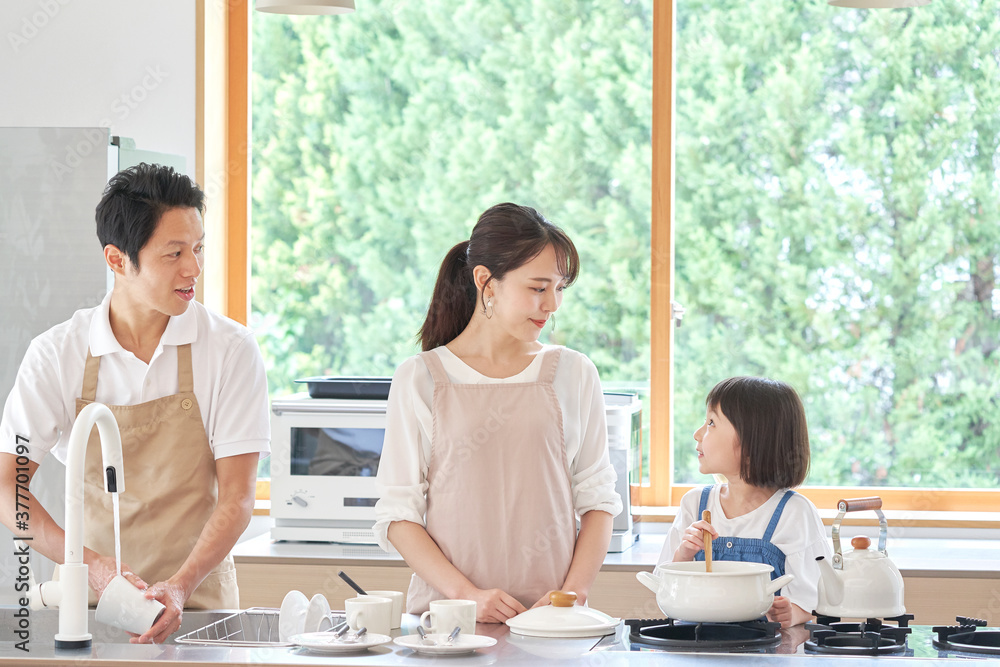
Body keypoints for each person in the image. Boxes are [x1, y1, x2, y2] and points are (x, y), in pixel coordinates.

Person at [0, 164, 269, 643]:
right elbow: (7, 484)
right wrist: (87, 563)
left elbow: (238, 497)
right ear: (117, 259)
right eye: (174, 253)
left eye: (198, 248)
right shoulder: (57, 354)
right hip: (87, 607)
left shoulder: (230, 349)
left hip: (199, 607)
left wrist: (181, 587)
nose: (194, 269)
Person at [374, 202, 623, 623]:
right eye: (538, 288)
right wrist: (467, 596)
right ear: (486, 282)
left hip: (553, 624)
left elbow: (598, 501)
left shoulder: (574, 373)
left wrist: (573, 595)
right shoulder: (421, 378)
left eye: (560, 289)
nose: (553, 305)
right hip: (448, 624)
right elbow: (398, 515)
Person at [656, 376, 830, 628]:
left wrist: (791, 613)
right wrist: (683, 554)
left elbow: (817, 600)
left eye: (711, 423)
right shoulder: (695, 504)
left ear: (752, 441)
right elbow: (663, 590)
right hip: (697, 651)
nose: (697, 434)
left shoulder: (794, 513)